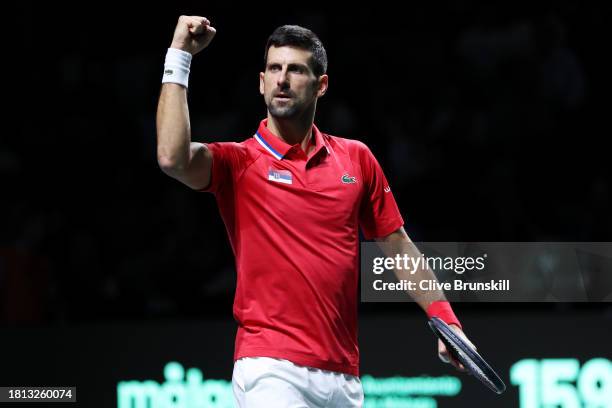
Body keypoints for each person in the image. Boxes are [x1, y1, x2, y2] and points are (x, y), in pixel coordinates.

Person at [156, 15, 473, 408]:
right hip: (270, 367)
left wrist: (446, 320)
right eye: (274, 69)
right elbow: (172, 157)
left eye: (295, 70)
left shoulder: (356, 159)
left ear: (321, 85)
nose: (282, 80)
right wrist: (179, 56)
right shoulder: (237, 163)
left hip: (343, 374)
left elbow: (398, 246)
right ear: (261, 82)